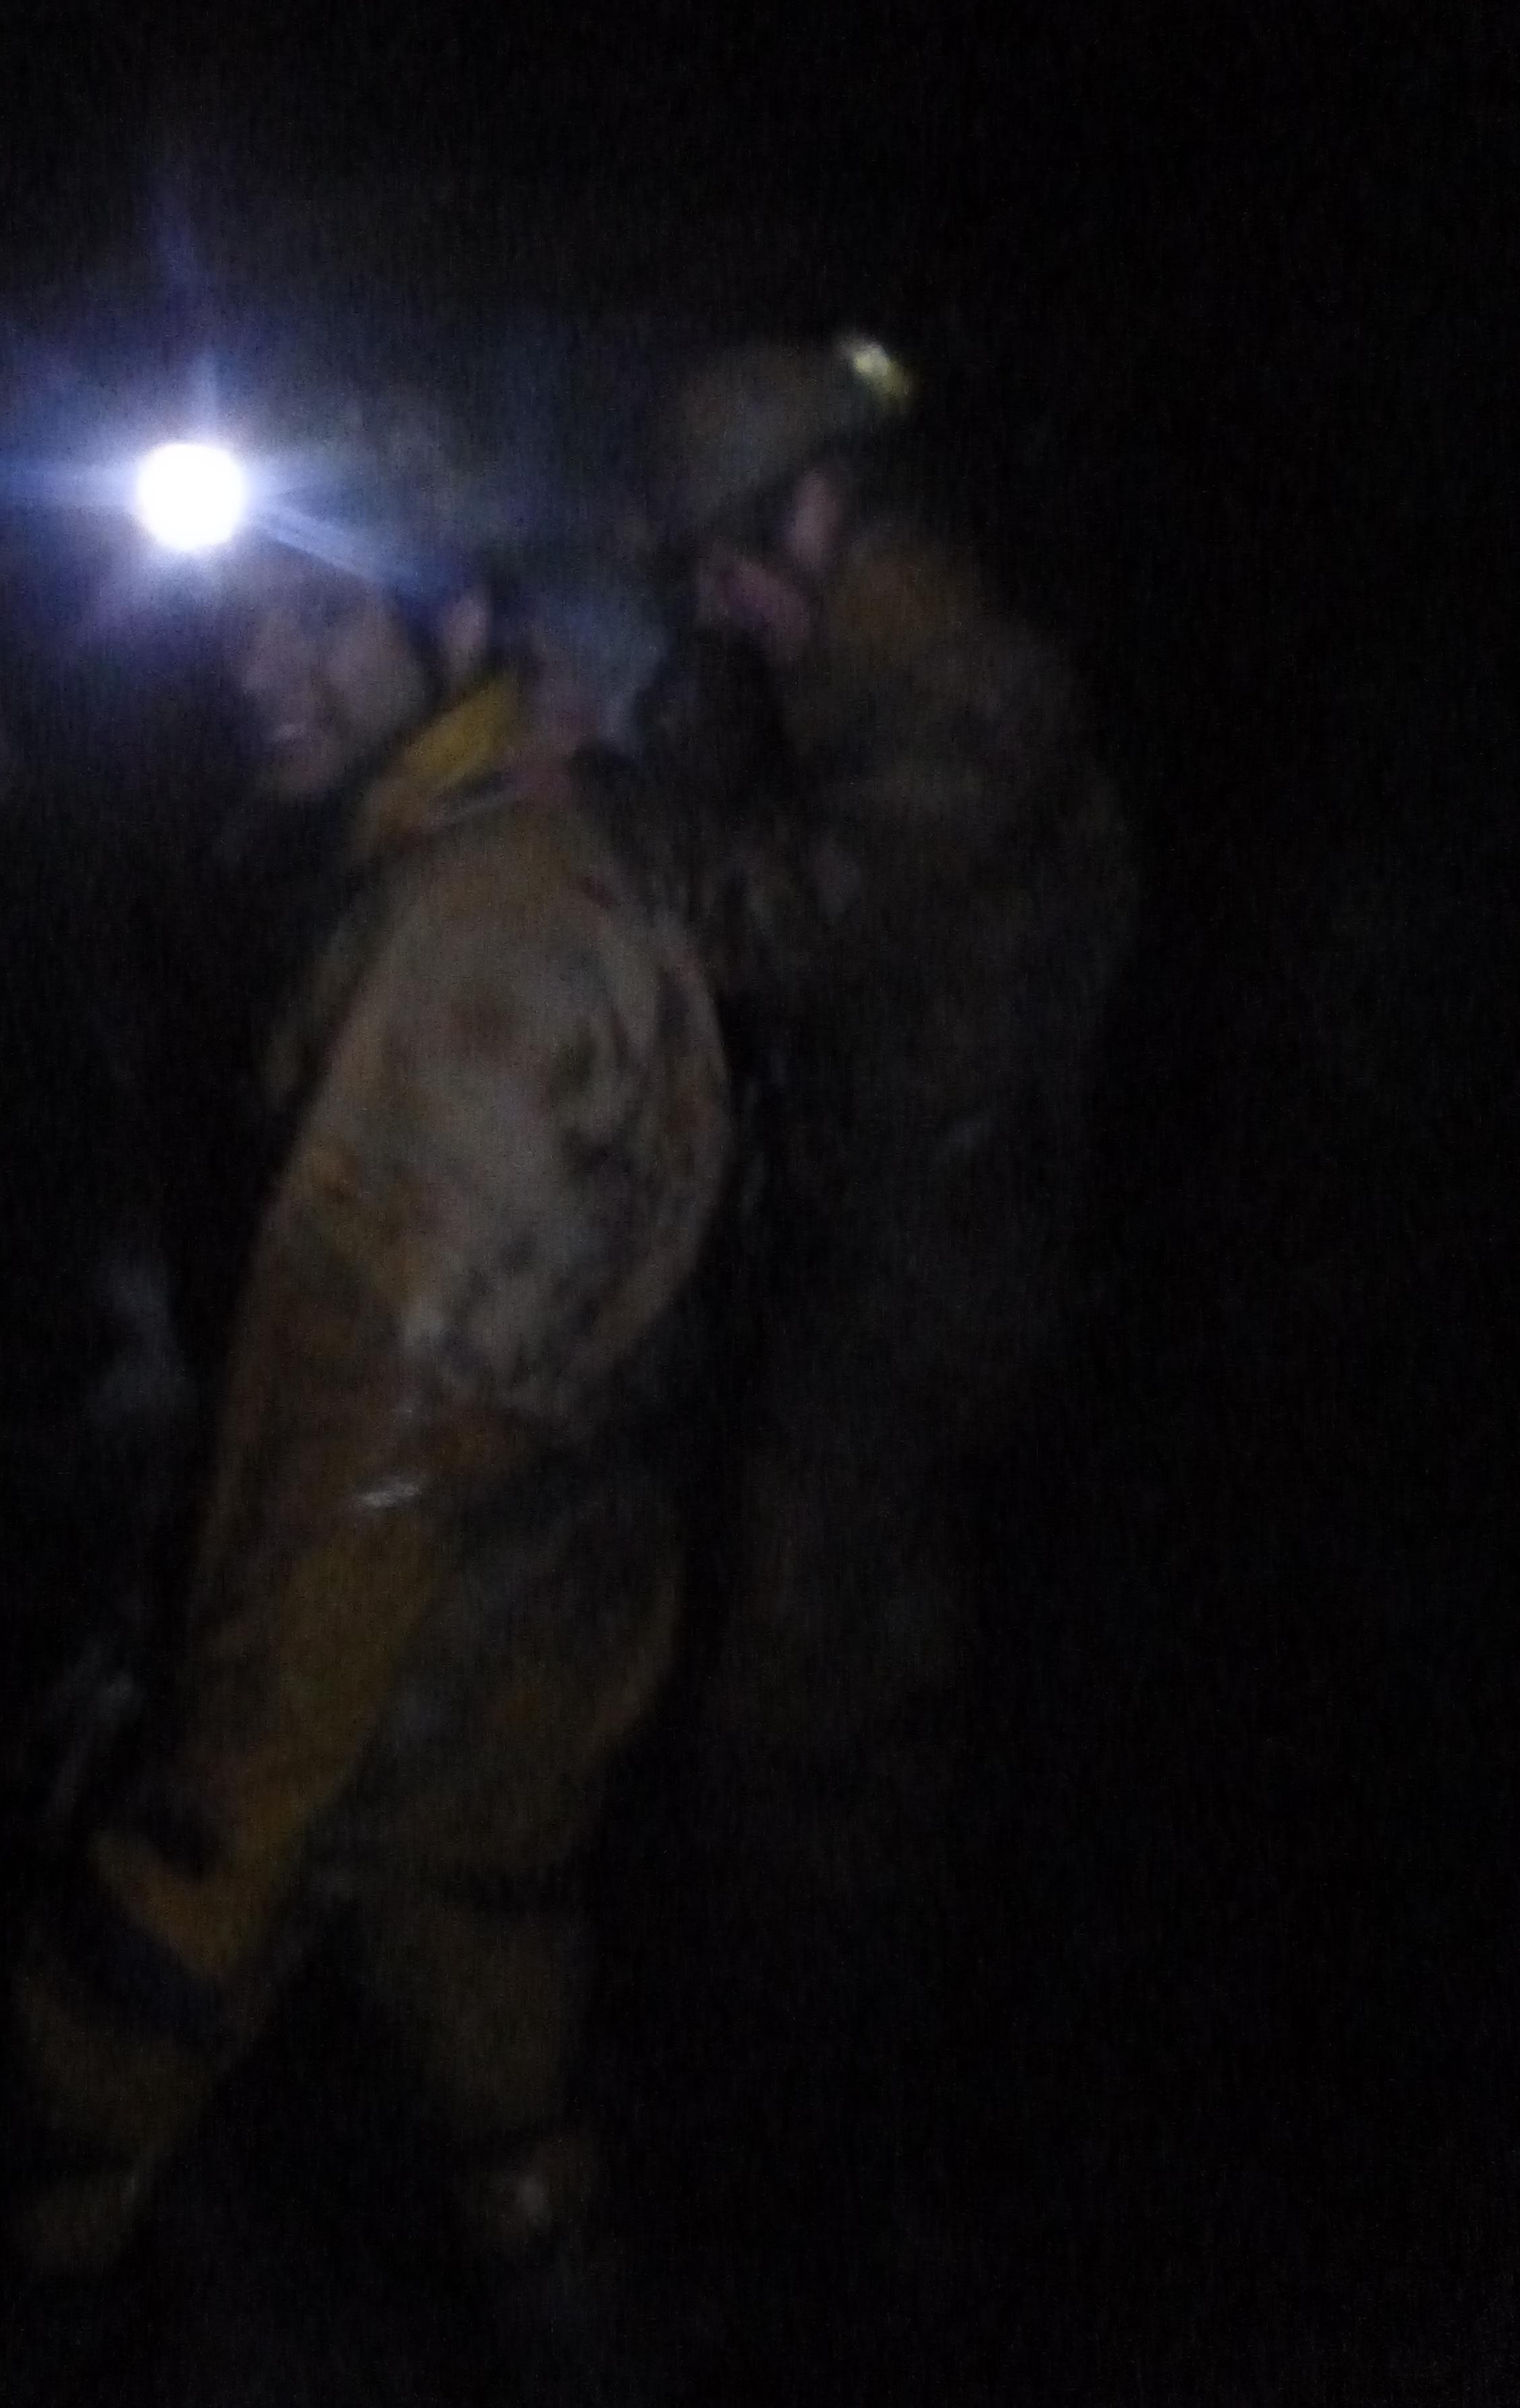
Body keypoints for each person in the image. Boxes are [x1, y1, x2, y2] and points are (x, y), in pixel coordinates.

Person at [6, 393, 731, 2398]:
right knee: (489, 1992)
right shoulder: (520, 837)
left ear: (459, 620)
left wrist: (199, 1848)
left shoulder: (470, 954)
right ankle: (563, 2285)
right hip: (544, 1605)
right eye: (240, 615)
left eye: (319, 617)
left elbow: (356, 1473)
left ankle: (31, 2288)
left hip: (401, 1635)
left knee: (141, 2021)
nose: (259, 665)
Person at [641, 331, 1138, 2255]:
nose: (713, 603)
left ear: (825, 509)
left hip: (938, 1291)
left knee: (812, 1705)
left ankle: (833, 2150)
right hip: (873, 1252)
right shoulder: (841, 675)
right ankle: (832, 2108)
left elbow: (779, 921)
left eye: (729, 561)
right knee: (828, 1682)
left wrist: (588, 807)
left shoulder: (974, 699)